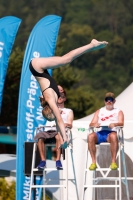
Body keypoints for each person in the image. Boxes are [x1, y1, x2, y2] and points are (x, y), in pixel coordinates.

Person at [29, 39, 108, 149]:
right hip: (38, 69)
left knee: (66, 60)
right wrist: (64, 139)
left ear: (52, 110)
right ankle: (92, 46)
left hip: (37, 67)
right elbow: (58, 123)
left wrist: (65, 138)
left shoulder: (51, 101)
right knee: (66, 60)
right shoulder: (50, 102)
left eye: (56, 113)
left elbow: (60, 120)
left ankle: (92, 44)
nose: (58, 113)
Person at [34, 85, 74, 169]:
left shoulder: (68, 111)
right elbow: (45, 95)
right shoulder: (50, 107)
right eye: (59, 95)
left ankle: (58, 160)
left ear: (65, 99)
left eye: (62, 96)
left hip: (58, 131)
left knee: (58, 136)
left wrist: (64, 124)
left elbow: (70, 124)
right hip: (48, 131)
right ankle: (43, 161)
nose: (60, 97)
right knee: (40, 136)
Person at [88, 92, 124, 170]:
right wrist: (95, 124)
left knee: (114, 136)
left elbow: (121, 123)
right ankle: (93, 162)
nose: (109, 101)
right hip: (100, 133)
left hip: (111, 133)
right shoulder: (99, 111)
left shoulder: (118, 111)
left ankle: (113, 162)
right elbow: (91, 123)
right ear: (104, 101)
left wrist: (115, 124)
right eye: (107, 99)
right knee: (90, 136)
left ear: (114, 101)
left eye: (111, 99)